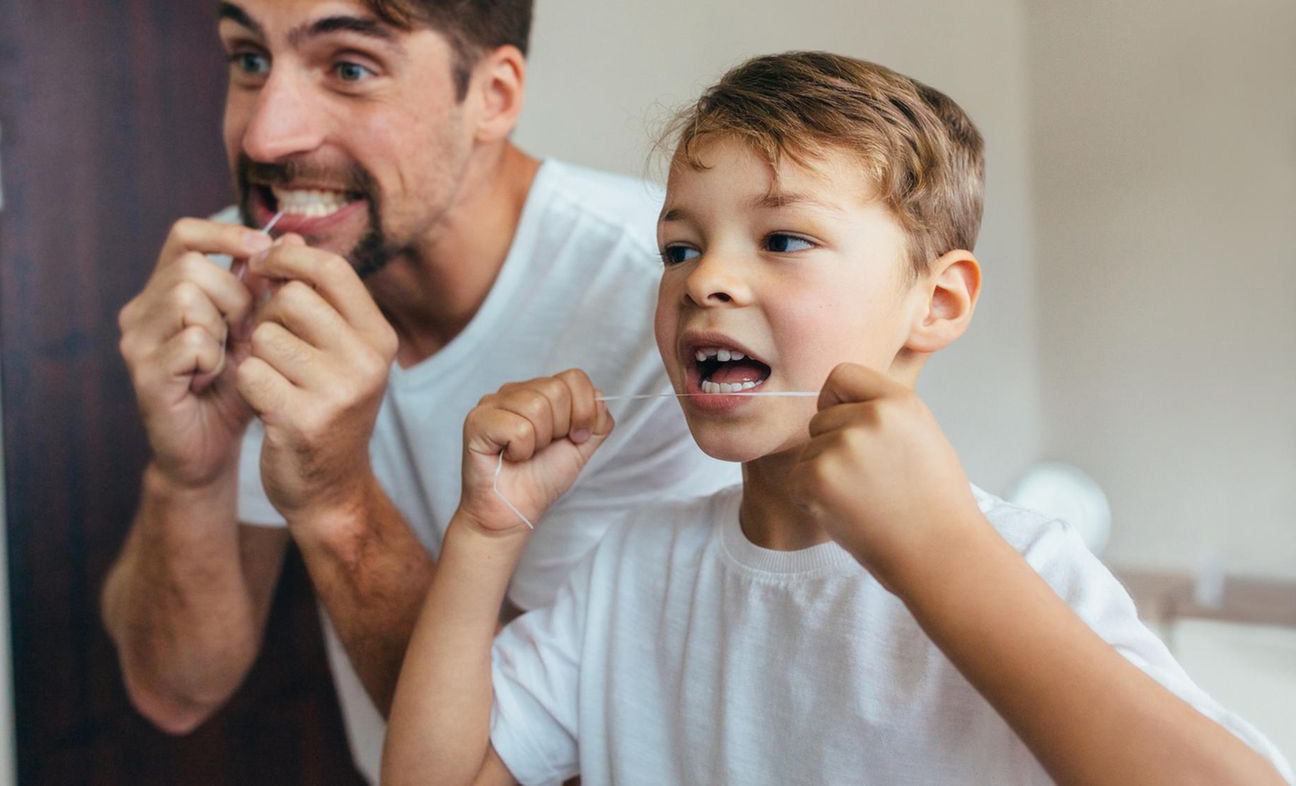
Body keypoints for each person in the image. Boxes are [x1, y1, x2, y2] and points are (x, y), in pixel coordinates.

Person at [383, 51, 1294, 785]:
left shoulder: (1021, 564)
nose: (704, 279)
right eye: (679, 248)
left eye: (783, 239)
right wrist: (486, 533)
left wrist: (940, 553)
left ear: (936, 304)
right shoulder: (629, 570)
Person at [100, 0, 736, 780]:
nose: (265, 137)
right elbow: (175, 692)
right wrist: (187, 474)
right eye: (250, 57)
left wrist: (337, 506)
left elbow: (557, 766)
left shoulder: (672, 310)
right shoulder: (246, 274)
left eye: (350, 68)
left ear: (493, 97)